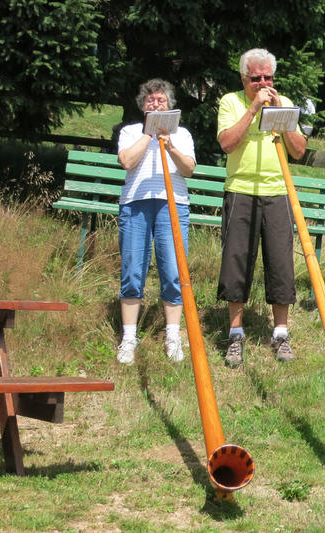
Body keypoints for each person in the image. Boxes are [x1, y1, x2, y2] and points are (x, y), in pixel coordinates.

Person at [216, 48, 307, 367]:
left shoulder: (283, 102)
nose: (264, 83)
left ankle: (281, 333)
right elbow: (227, 143)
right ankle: (235, 333)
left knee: (281, 261)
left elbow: (298, 150)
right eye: (256, 78)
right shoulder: (231, 101)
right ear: (244, 78)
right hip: (241, 189)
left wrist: (282, 120)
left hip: (277, 191)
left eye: (268, 77)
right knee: (236, 260)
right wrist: (254, 109)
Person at [115, 78, 196, 364]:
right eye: (151, 100)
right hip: (135, 204)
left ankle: (173, 335)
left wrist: (170, 144)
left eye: (161, 100)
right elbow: (127, 161)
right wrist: (149, 135)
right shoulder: (130, 131)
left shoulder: (182, 134)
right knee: (132, 271)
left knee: (173, 271)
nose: (156, 104)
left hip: (173, 205)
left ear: (170, 105)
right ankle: (128, 338)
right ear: (143, 105)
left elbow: (188, 170)